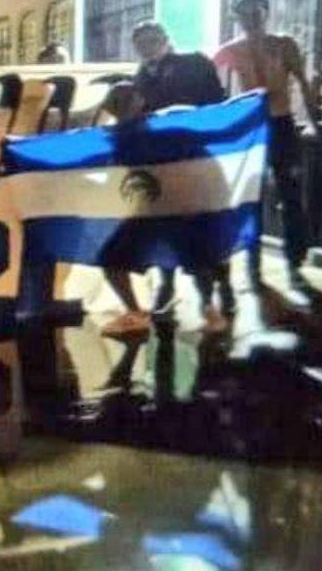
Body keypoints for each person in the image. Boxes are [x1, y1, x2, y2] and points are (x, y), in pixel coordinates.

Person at [213, 0, 318, 292]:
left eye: (256, 12)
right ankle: (253, 265)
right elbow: (210, 82)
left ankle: (295, 262)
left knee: (291, 196)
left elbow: (302, 81)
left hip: (282, 124)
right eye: (245, 14)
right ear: (237, 18)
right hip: (252, 129)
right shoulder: (231, 50)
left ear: (266, 12)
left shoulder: (284, 44)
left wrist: (313, 121)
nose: (251, 18)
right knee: (251, 198)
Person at [130, 21, 231, 331]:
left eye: (153, 39)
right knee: (165, 225)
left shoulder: (195, 64)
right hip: (162, 164)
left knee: (202, 226)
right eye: (141, 42)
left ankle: (215, 291)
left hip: (196, 159)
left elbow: (217, 104)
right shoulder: (140, 77)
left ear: (166, 39)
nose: (148, 46)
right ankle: (167, 285)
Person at [98, 82, 154, 338]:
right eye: (117, 100)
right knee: (112, 259)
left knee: (112, 259)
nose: (121, 105)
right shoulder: (112, 135)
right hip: (142, 207)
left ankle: (213, 308)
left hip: (157, 206)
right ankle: (135, 312)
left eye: (126, 99)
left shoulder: (157, 129)